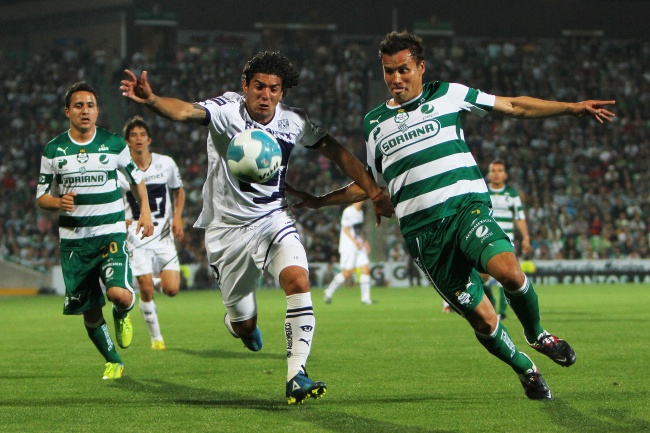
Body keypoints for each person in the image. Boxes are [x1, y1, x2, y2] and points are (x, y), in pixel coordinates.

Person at [292, 31, 615, 400]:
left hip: (465, 210)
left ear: (420, 67)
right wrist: (319, 201)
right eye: (388, 71)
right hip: (423, 236)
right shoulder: (374, 123)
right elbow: (372, 184)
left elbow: (513, 106)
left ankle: (538, 334)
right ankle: (526, 369)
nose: (396, 78)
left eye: (403, 69)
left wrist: (571, 108)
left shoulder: (448, 94)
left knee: (510, 272)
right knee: (484, 320)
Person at [120, 51, 394, 404]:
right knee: (244, 324)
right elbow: (185, 111)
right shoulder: (226, 111)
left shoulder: (294, 121)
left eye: (274, 89)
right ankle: (240, 326)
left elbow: (336, 151)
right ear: (245, 86)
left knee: (298, 279)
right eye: (259, 87)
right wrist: (153, 101)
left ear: (282, 92)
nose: (266, 95)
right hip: (226, 232)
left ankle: (297, 375)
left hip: (272, 219)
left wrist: (374, 192)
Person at [36, 81, 154, 380]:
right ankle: (113, 361)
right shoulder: (54, 150)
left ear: (98, 111)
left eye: (90, 105)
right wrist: (57, 202)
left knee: (119, 295)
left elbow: (137, 179)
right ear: (67, 112)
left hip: (109, 235)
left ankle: (123, 313)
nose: (85, 110)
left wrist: (145, 212)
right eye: (78, 105)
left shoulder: (114, 144)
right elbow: (41, 197)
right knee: (89, 310)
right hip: (74, 243)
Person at [119, 116, 186, 350]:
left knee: (172, 290)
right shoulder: (120, 171)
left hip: (164, 235)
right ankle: (156, 338)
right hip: (135, 235)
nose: (138, 138)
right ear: (127, 141)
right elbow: (113, 200)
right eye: (133, 135)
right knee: (146, 289)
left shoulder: (165, 163)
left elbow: (178, 191)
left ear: (149, 140)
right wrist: (120, 218)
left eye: (142, 135)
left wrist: (177, 217)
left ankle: (152, 281)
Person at [479, 160, 532, 320]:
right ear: (489, 174)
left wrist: (526, 237)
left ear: (505, 175)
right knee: (482, 277)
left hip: (505, 240)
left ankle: (502, 311)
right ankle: (491, 300)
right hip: (485, 239)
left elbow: (520, 217)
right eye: (493, 170)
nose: (496, 173)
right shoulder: (482, 192)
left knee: (507, 276)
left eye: (499, 170)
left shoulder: (512, 194)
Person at [323, 201, 374, 305]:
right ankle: (329, 291)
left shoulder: (360, 212)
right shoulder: (348, 211)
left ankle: (366, 298)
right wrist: (354, 241)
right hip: (349, 246)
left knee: (366, 268)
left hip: (359, 245)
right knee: (347, 273)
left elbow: (358, 230)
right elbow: (345, 229)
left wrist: (365, 241)